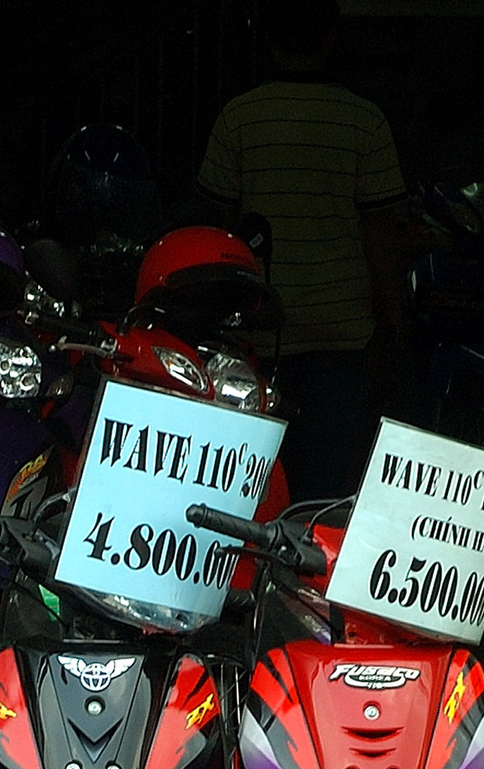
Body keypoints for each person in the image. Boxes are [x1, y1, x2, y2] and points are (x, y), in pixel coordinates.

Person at [197, 0, 408, 498]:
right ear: (332, 39)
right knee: (325, 490)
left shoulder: (239, 118)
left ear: (267, 40)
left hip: (258, 334)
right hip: (342, 334)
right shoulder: (364, 121)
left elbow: (214, 230)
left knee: (250, 487)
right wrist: (394, 320)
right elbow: (382, 236)